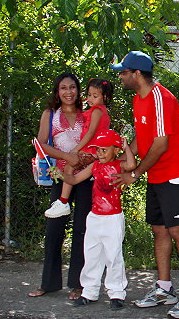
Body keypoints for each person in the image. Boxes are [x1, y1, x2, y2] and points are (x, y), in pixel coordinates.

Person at [110, 51, 179, 318]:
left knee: (178, 231)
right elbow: (143, 139)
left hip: (177, 173)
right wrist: (123, 161)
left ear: (137, 74)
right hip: (157, 174)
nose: (120, 76)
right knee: (159, 230)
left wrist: (135, 173)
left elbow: (160, 144)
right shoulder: (137, 99)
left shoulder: (160, 98)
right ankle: (164, 289)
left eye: (124, 72)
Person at [52, 129, 135, 310]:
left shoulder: (119, 165)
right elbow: (74, 179)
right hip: (95, 217)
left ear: (116, 150)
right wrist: (60, 175)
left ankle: (116, 293)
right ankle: (89, 291)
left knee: (113, 256)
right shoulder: (95, 166)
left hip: (113, 217)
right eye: (98, 149)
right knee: (92, 255)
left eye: (104, 149)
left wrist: (126, 147)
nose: (100, 153)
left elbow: (131, 164)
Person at [28, 72, 92, 300]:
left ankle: (79, 284)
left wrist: (83, 159)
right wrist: (68, 157)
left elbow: (97, 142)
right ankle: (49, 283)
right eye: (63, 88)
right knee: (54, 230)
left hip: (85, 177)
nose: (68, 92)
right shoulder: (50, 114)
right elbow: (40, 144)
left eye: (72, 87)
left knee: (82, 230)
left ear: (78, 90)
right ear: (57, 91)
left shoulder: (88, 113)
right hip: (60, 177)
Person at [44, 78, 113, 218]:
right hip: (93, 149)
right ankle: (64, 201)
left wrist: (76, 149)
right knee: (71, 167)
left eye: (95, 96)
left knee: (70, 165)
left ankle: (63, 201)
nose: (90, 99)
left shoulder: (97, 111)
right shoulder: (94, 111)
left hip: (92, 149)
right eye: (89, 95)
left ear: (105, 97)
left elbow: (90, 133)